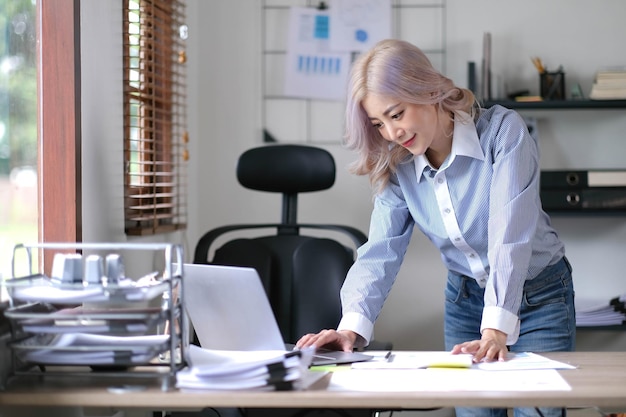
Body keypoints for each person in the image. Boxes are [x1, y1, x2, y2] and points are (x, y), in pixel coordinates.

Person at [295, 39, 575, 417]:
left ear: (426, 89)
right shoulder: (399, 167)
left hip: (540, 296)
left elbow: (509, 236)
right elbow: (380, 251)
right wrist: (350, 330)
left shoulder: (502, 133)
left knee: (536, 412)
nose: (391, 133)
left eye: (396, 114)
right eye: (378, 123)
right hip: (465, 301)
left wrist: (495, 329)